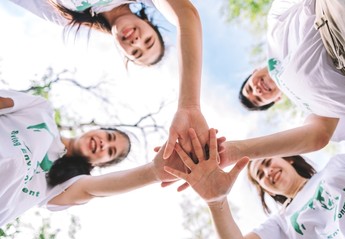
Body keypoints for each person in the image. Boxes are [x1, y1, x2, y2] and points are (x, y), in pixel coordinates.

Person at [8, 0, 210, 160]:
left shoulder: (66, 17)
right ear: (149, 22)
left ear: (124, 54)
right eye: (148, 41)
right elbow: (186, 15)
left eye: (136, 53)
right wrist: (189, 105)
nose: (137, 42)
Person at [165, 128, 345, 239]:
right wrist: (216, 201)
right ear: (266, 191)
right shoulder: (283, 222)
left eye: (267, 163)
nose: (268, 173)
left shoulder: (337, 166)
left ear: (288, 157)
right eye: (260, 176)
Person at [0, 89, 186, 227]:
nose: (105, 144)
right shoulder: (41, 109)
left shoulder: (67, 184)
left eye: (110, 152)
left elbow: (94, 189)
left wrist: (154, 172)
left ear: (99, 164)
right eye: (109, 137)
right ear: (98, 129)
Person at [238, 0, 345, 152]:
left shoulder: (274, 26)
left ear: (254, 71)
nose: (257, 91)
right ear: (276, 100)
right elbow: (319, 136)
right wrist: (237, 151)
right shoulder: (310, 109)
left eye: (249, 87)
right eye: (258, 99)